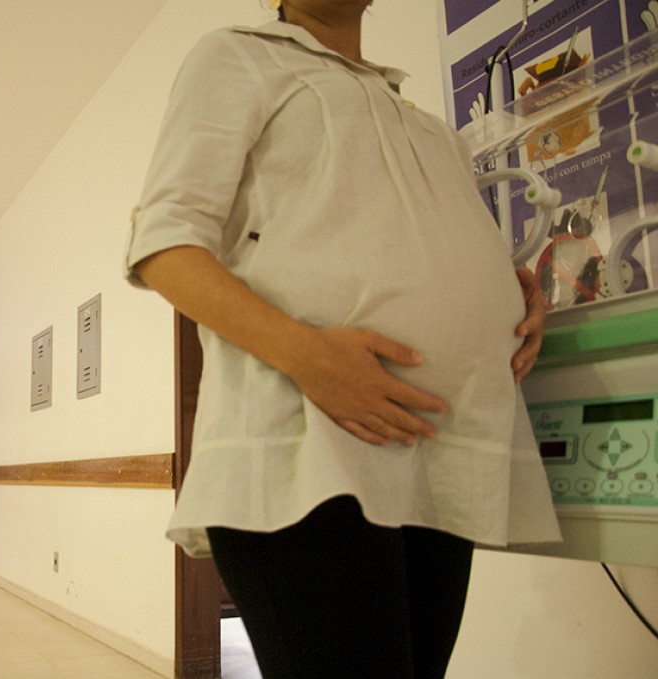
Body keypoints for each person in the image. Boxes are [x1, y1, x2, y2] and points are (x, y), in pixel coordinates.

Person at [125, 1, 561, 677]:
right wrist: (308, 356)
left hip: (437, 453)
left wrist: (508, 288)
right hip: (308, 450)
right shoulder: (238, 54)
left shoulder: (428, 125)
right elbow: (164, 246)